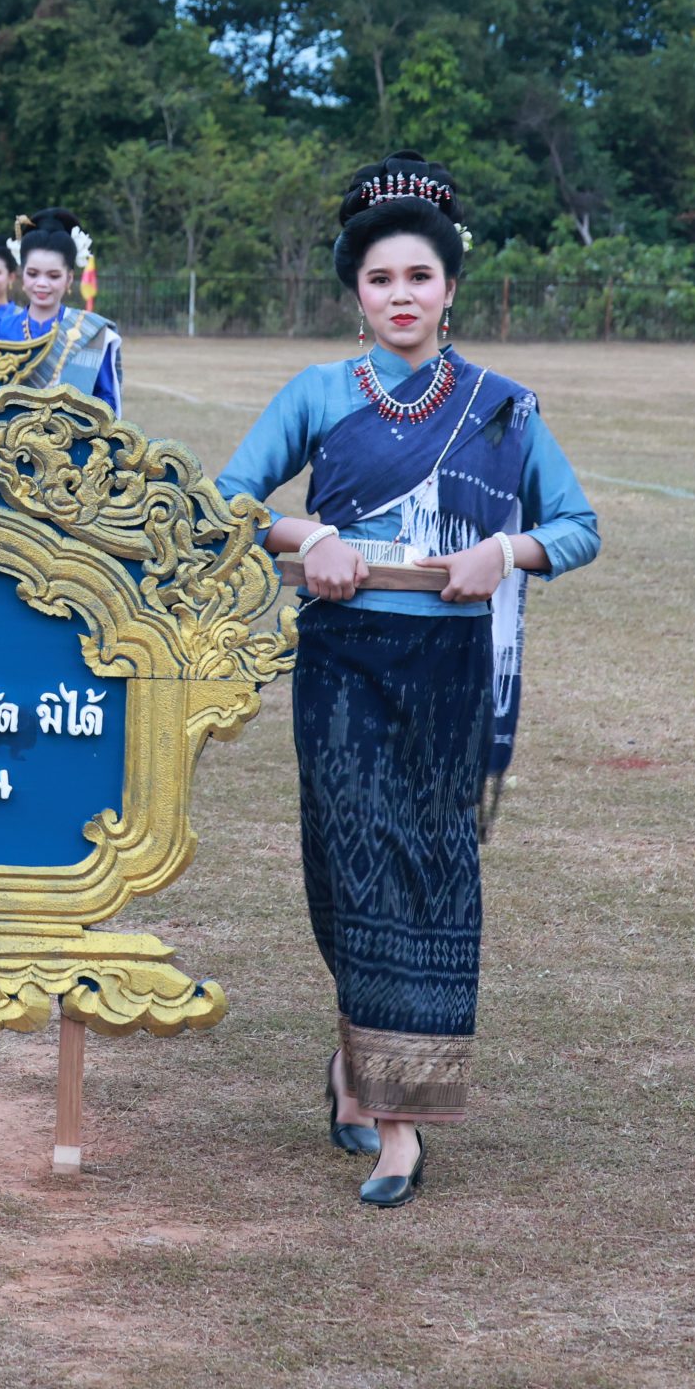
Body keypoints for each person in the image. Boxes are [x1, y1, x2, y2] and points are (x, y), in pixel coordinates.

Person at [215, 152, 600, 1209]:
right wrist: (310, 537)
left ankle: (398, 1123)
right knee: (348, 872)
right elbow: (224, 501)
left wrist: (504, 553)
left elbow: (577, 527)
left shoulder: (501, 407)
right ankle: (359, 1059)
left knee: (427, 879)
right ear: (355, 293)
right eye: (380, 279)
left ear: (450, 289)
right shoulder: (316, 394)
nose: (400, 296)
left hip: (446, 671)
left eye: (418, 278)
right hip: (342, 662)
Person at [0, 210, 121, 411]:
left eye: (53, 276)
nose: (42, 283)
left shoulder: (93, 332)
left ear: (69, 279)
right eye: (33, 274)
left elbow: (107, 402)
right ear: (22, 275)